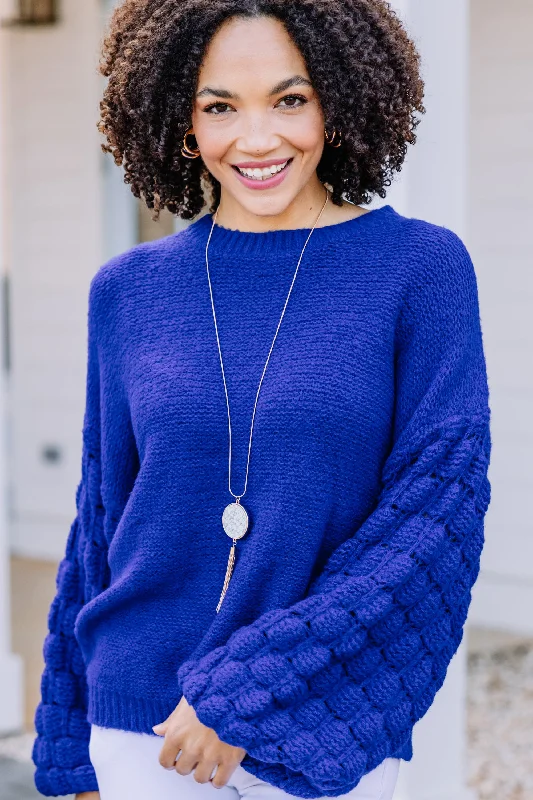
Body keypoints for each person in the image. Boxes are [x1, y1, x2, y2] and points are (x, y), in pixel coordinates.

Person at [31, 1, 492, 799]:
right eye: (219, 107)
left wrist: (243, 695)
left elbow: (432, 526)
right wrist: (72, 746)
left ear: (340, 101)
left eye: (289, 99)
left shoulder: (419, 270)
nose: (256, 139)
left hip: (314, 722)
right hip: (140, 728)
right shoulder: (128, 291)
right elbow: (102, 520)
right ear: (180, 120)